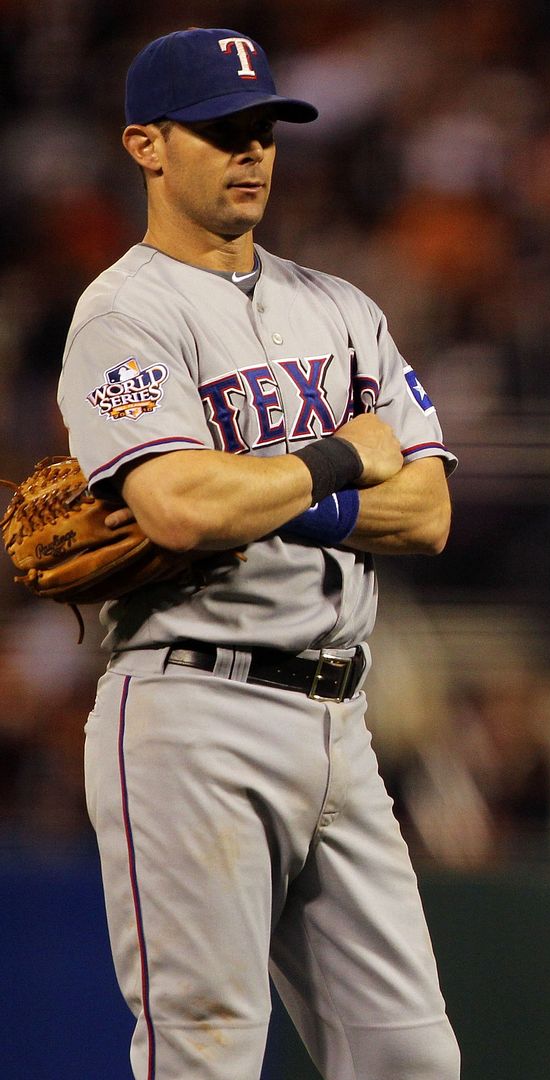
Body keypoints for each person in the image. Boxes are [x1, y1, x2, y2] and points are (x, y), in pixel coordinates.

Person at [57, 28, 460, 1079]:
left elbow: (425, 512)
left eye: (265, 131)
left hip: (339, 716)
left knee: (413, 1060)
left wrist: (271, 493)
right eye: (221, 132)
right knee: (208, 1057)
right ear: (146, 145)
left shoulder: (341, 306)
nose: (252, 153)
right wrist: (337, 457)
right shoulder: (122, 311)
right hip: (195, 711)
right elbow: (180, 506)